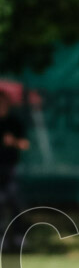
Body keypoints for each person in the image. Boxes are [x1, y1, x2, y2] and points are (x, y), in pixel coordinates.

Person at [0, 90, 29, 250]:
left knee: (15, 203)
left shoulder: (13, 122)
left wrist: (13, 142)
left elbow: (25, 144)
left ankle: (19, 238)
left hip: (11, 169)